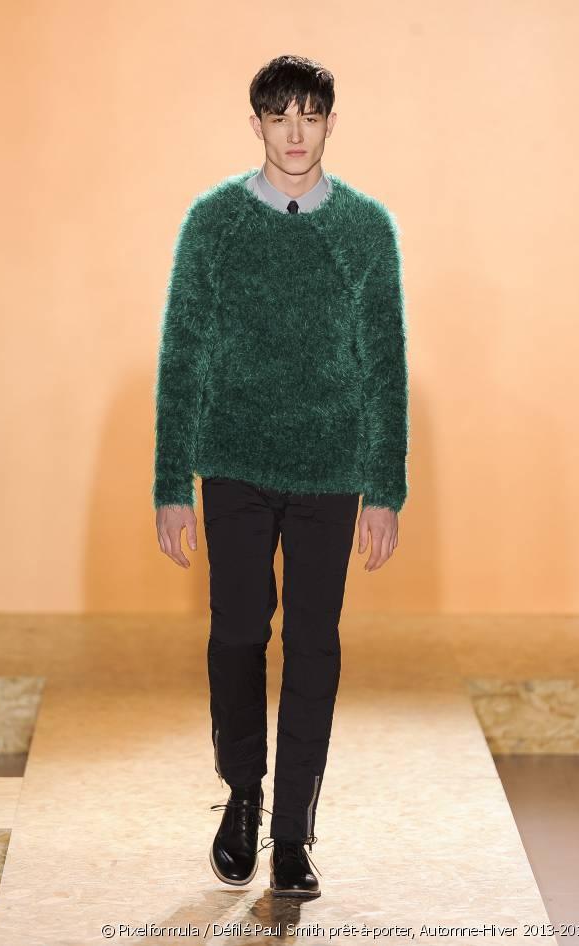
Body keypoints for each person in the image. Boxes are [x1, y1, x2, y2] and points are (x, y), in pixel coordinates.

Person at [152, 53, 409, 899]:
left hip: (331, 468)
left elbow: (385, 363)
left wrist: (386, 489)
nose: (295, 132)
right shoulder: (214, 222)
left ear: (331, 123)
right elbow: (182, 352)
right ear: (257, 124)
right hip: (232, 460)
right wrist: (170, 482)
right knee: (235, 634)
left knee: (313, 643)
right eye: (279, 116)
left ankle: (293, 832)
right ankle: (242, 795)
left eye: (310, 115)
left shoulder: (366, 228)